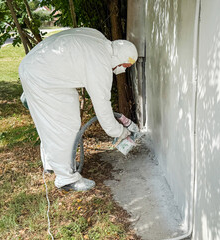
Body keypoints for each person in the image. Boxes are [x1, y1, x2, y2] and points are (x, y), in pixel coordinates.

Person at [18, 27, 138, 191]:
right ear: (120, 58)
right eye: (125, 65)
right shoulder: (100, 63)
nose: (123, 70)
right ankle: (66, 179)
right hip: (41, 76)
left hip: (40, 67)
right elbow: (103, 110)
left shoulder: (99, 39)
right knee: (65, 125)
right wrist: (121, 132)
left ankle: (53, 163)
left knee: (55, 121)